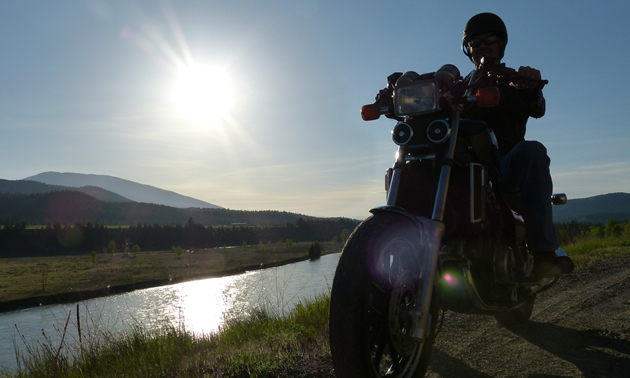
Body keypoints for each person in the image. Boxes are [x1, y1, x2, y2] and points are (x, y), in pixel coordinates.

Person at [461, 12, 574, 280]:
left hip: (502, 164)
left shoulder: (512, 80)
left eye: (490, 40)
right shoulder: (456, 85)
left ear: (501, 45)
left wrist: (530, 88)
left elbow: (537, 107)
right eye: (476, 42)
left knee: (531, 150)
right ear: (468, 49)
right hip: (458, 166)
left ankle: (544, 253)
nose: (483, 46)